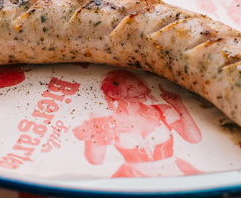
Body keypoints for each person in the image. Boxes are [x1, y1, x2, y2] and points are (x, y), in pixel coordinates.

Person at [70, 70, 202, 178]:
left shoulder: (161, 110)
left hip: (175, 171)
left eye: (139, 85)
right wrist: (92, 132)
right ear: (112, 94)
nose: (140, 91)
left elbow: (195, 138)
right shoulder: (108, 122)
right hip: (131, 177)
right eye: (130, 88)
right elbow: (96, 160)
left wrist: (179, 106)